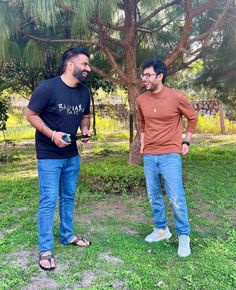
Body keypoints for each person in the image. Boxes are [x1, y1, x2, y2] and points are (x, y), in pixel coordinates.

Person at [26, 47, 92, 271]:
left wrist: (85, 131)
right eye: (84, 64)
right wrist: (52, 134)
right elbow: (30, 114)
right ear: (70, 65)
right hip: (49, 156)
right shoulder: (48, 87)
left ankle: (67, 235)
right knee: (48, 200)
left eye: (88, 65)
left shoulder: (84, 92)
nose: (88, 68)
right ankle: (45, 249)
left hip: (71, 155)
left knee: (69, 197)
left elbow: (85, 115)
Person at [137, 58, 198, 257]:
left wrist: (186, 141)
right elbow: (143, 122)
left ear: (160, 76)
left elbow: (192, 117)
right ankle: (161, 229)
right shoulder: (141, 99)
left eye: (148, 75)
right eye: (143, 75)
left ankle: (183, 235)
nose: (144, 79)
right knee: (153, 195)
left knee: (176, 196)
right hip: (149, 156)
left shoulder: (176, 97)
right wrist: (143, 143)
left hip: (171, 154)